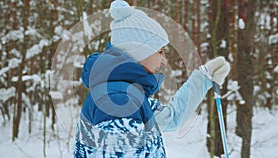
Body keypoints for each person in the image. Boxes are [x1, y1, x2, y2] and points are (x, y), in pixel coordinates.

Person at [74, 0, 230, 157]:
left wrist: (203, 79)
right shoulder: (118, 99)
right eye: (160, 51)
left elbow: (172, 118)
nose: (164, 61)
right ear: (139, 51)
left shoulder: (127, 94)